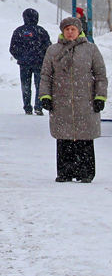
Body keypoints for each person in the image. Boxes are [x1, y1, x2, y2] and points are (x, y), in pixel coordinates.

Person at [40, 16, 107, 182]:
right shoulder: (53, 50)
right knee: (64, 139)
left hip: (85, 102)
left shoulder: (90, 49)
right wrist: (45, 95)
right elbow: (46, 75)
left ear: (79, 31)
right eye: (67, 29)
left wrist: (100, 96)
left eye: (73, 29)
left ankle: (86, 173)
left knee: (84, 138)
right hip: (61, 101)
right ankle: (65, 172)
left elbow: (100, 75)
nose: (70, 32)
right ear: (63, 31)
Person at [9, 7, 51, 114]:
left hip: (24, 64)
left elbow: (12, 48)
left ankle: (27, 107)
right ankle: (38, 106)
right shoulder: (41, 31)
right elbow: (48, 47)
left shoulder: (19, 31)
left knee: (25, 85)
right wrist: (42, 57)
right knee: (39, 85)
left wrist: (20, 57)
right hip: (39, 63)